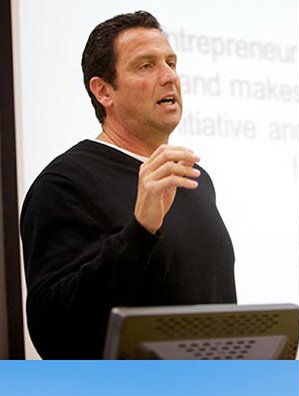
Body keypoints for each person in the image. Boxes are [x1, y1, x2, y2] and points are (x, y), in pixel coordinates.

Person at [19, 11, 235, 360]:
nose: (169, 77)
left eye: (170, 62)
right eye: (146, 66)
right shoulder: (63, 184)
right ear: (103, 90)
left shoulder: (194, 177)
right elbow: (52, 331)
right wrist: (140, 231)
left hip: (215, 390)